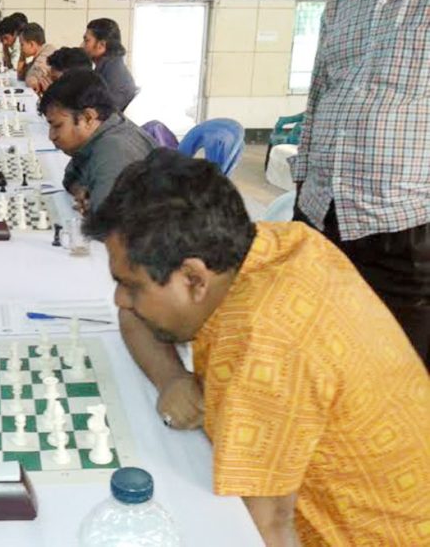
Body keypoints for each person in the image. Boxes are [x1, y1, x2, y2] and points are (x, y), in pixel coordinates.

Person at [84, 148, 430, 546]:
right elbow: (134, 316)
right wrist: (171, 379)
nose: (119, 301)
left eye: (131, 285)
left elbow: (263, 530)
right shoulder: (278, 245)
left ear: (195, 279)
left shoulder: (265, 341)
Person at [291, 0, 430, 366]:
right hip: (322, 213)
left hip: (405, 225)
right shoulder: (342, 2)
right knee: (321, 352)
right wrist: (303, 185)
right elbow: (319, 92)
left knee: (404, 372)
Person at [39, 70, 154, 215]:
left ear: (88, 118)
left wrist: (93, 203)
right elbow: (70, 176)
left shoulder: (114, 149)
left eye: (57, 126)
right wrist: (83, 190)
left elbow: (105, 223)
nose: (52, 136)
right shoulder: (101, 133)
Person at [82, 18, 137, 112]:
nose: (82, 46)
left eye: (87, 41)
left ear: (101, 45)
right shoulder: (111, 67)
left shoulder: (110, 73)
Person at [16, 23, 56, 95]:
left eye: (22, 45)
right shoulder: (38, 55)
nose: (21, 48)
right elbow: (21, 76)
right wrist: (22, 57)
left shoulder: (48, 52)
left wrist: (32, 80)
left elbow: (36, 73)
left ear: (31, 44)